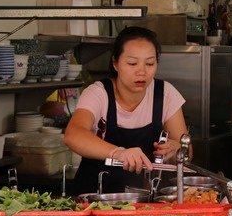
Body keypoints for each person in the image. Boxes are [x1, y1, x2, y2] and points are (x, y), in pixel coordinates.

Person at [64, 26, 189, 195]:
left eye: (150, 63)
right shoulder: (98, 93)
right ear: (115, 63)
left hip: (145, 199)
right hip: (95, 197)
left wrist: (175, 149)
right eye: (132, 63)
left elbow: (186, 151)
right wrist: (118, 153)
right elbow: (73, 135)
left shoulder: (165, 93)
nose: (142, 71)